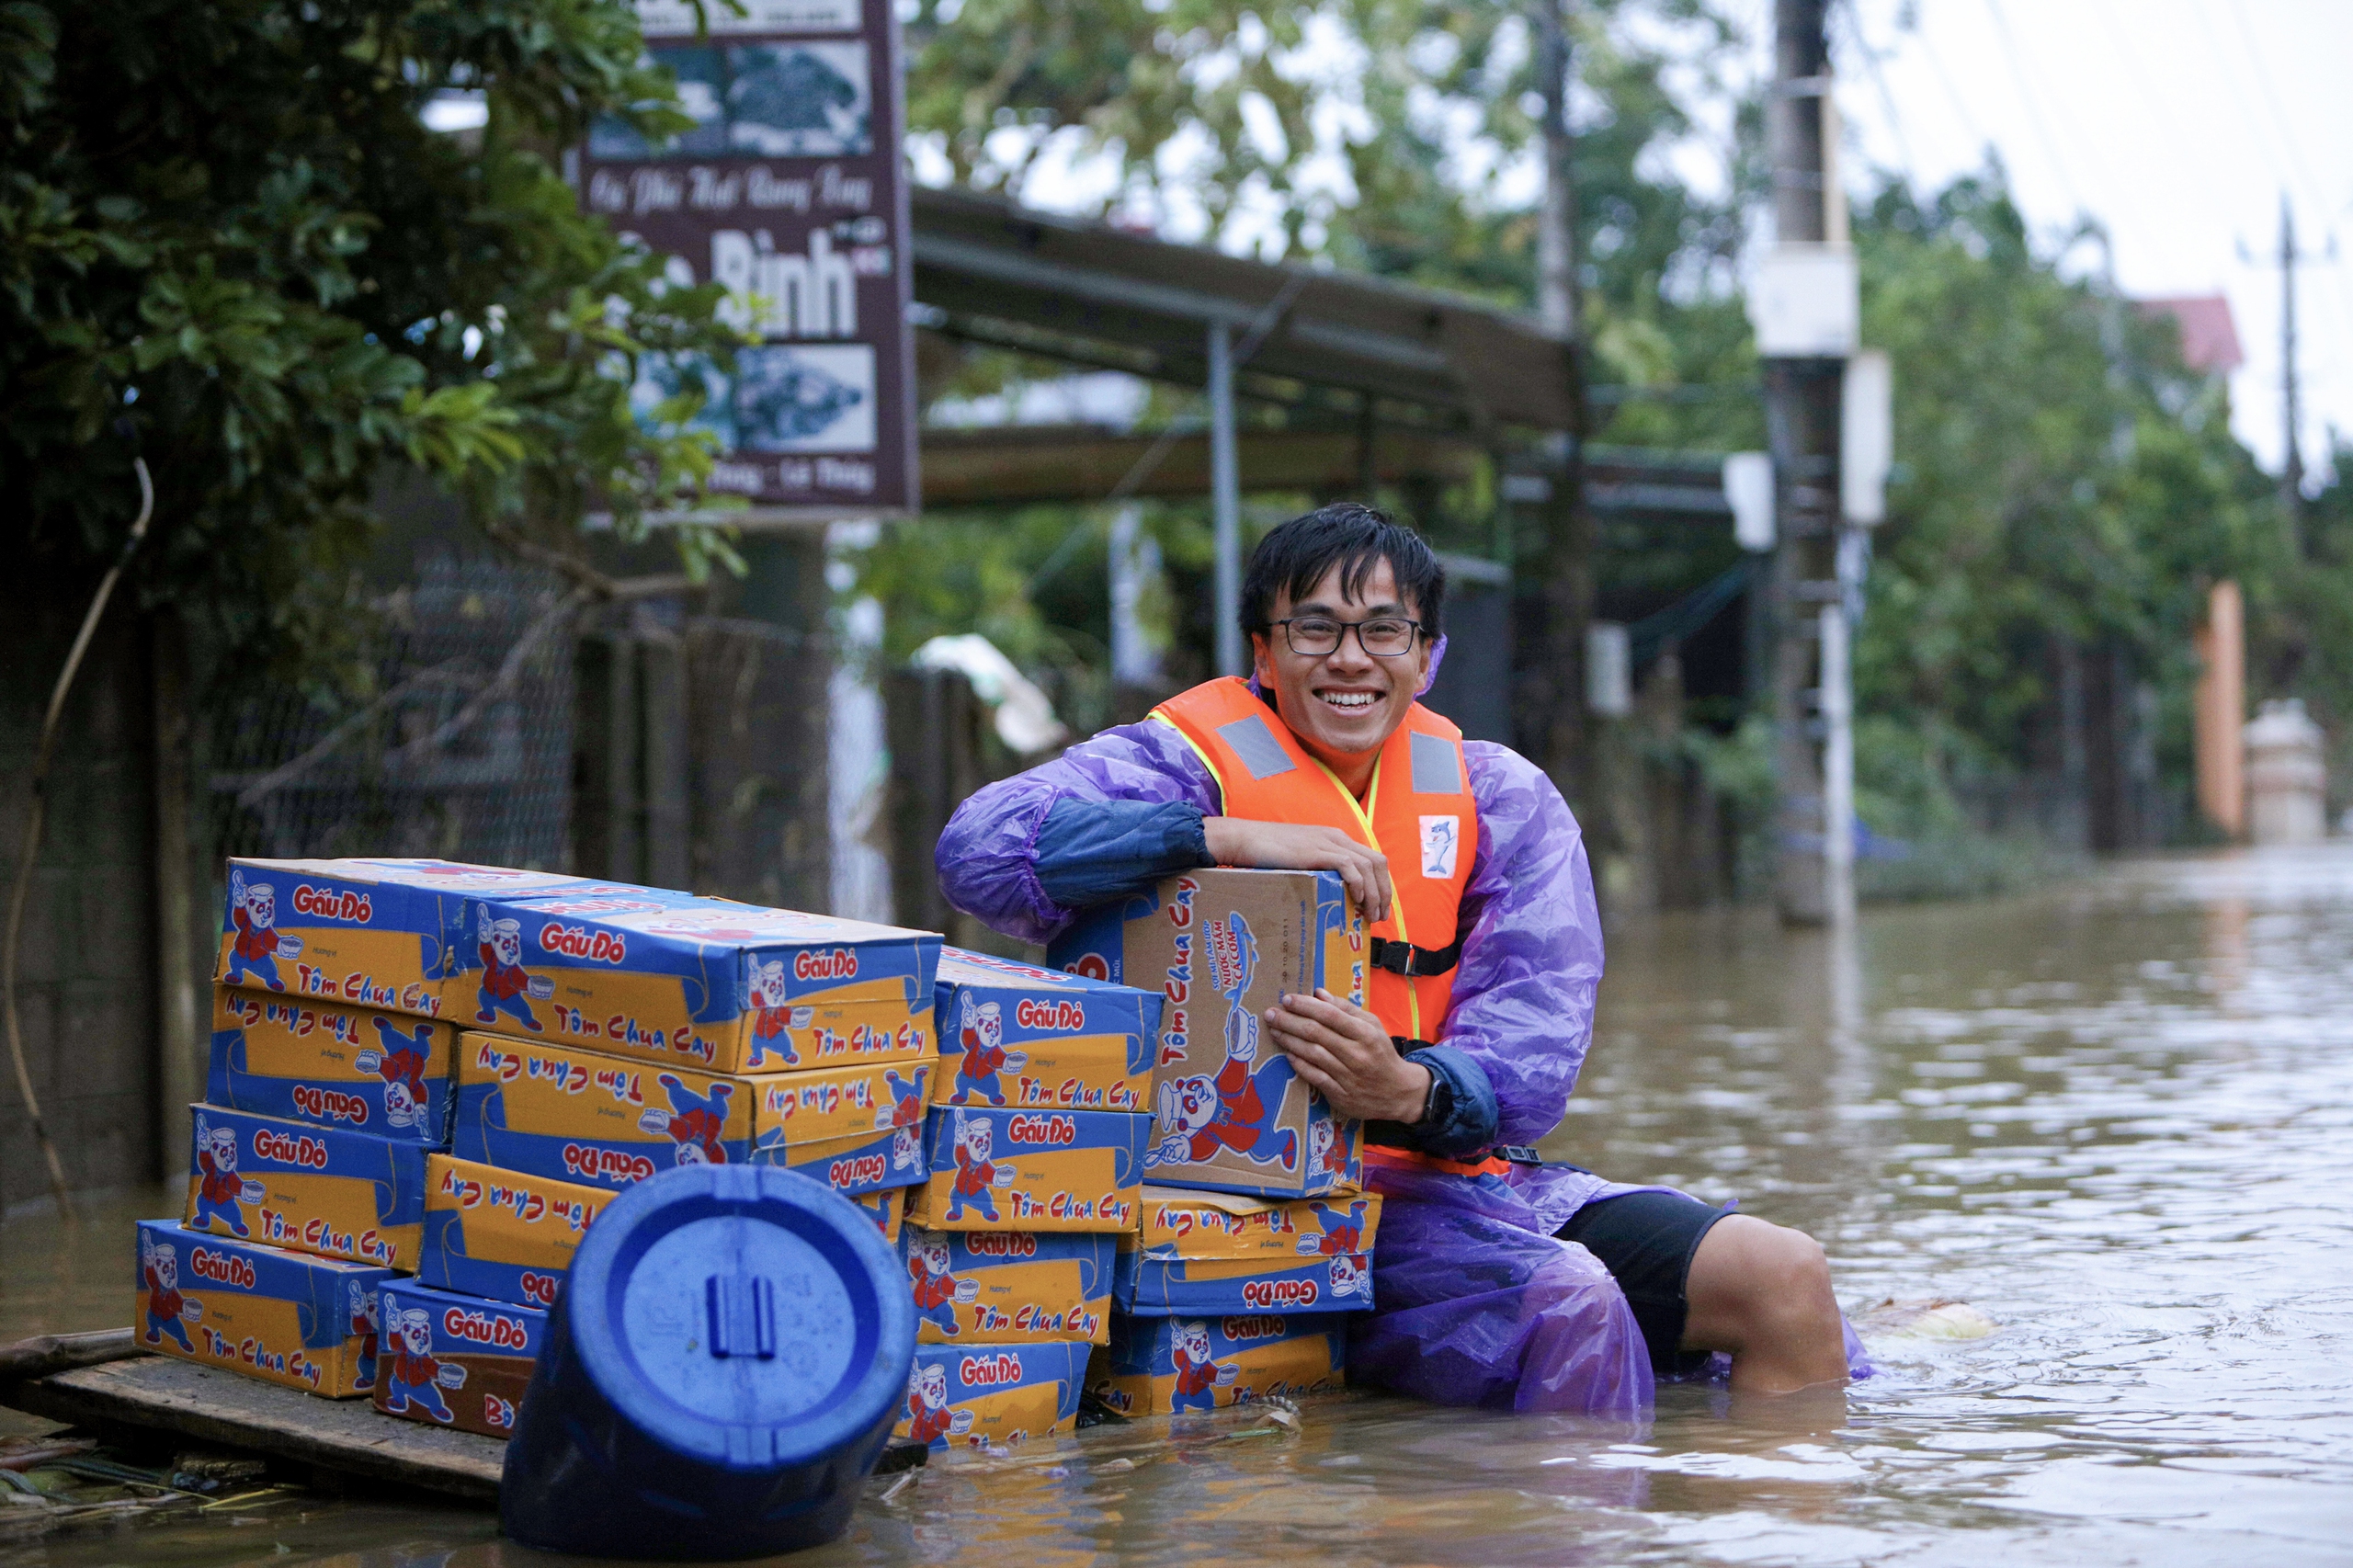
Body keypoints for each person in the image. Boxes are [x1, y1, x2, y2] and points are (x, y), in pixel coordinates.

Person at [937, 503, 1866, 1415]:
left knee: (1785, 1274)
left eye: (1384, 630)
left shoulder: (1499, 796)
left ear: (1428, 656)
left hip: (1458, 1180)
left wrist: (1406, 1090)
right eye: (1314, 628)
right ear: (1262, 650)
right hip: (1253, 1200)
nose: (1350, 658)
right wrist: (1221, 835)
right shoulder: (1178, 766)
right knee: (1569, 1301)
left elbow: (1531, 1062)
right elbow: (976, 853)